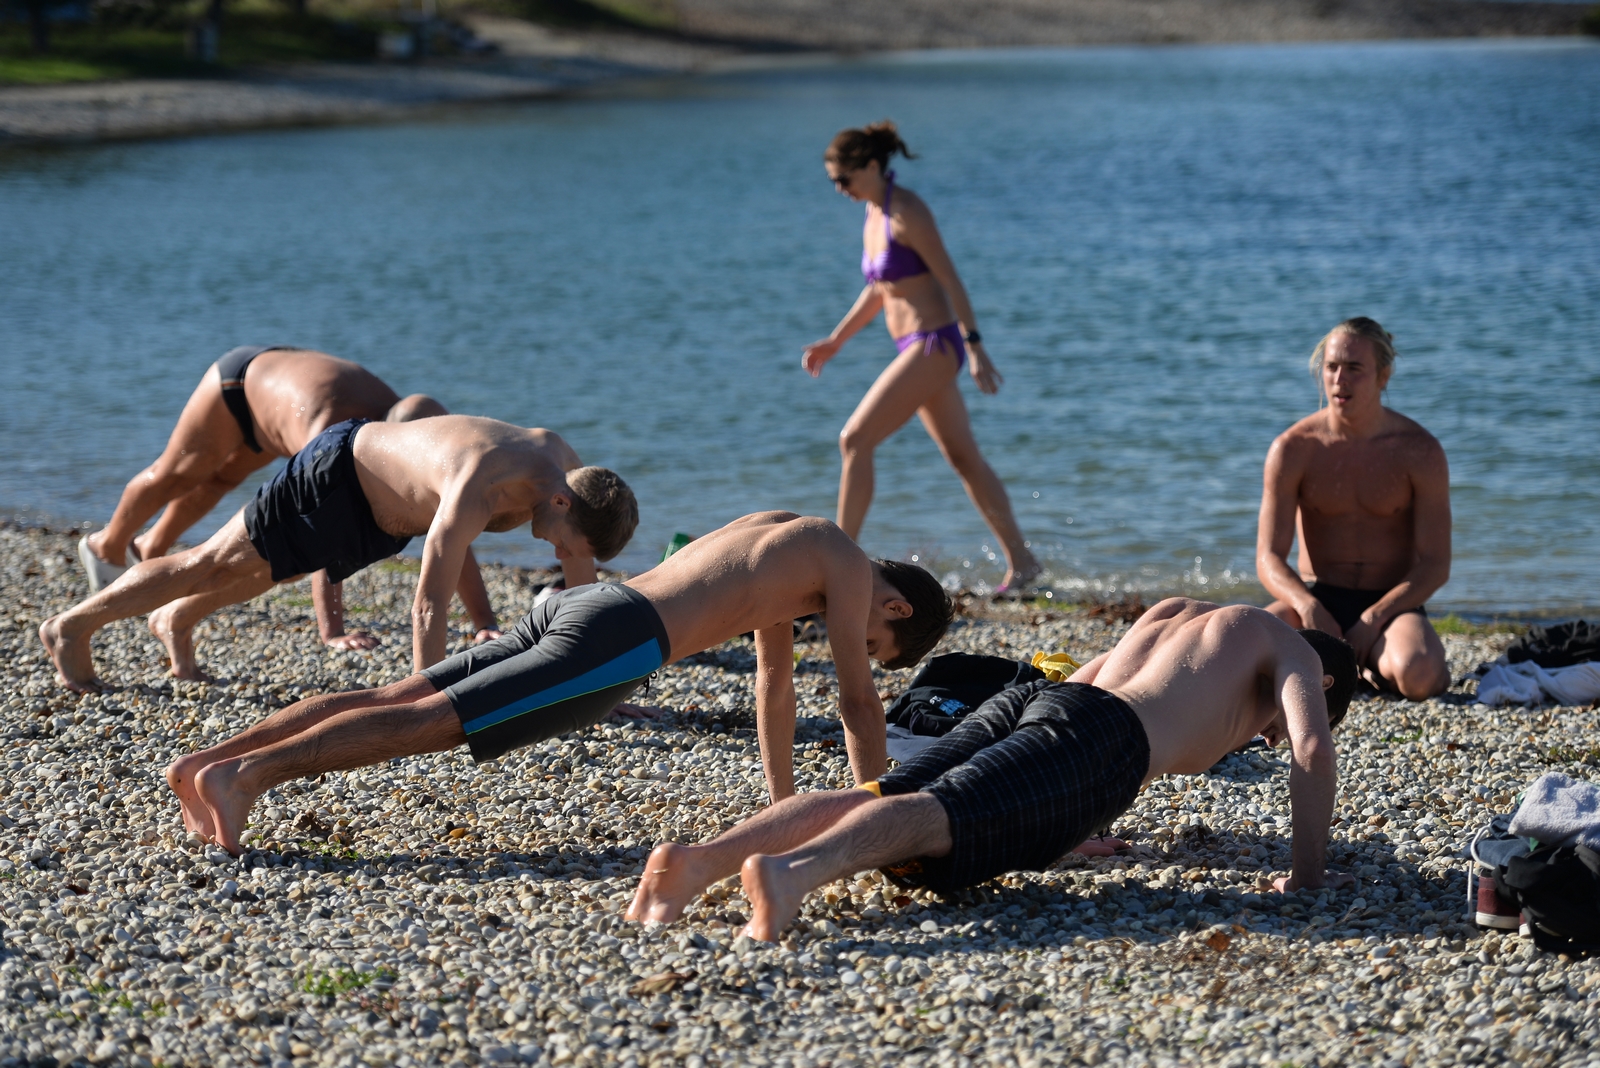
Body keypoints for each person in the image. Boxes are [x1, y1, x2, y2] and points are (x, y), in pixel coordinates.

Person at [163, 512, 952, 855]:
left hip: (589, 602)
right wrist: (872, 810)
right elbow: (856, 701)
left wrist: (784, 805)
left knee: (396, 696)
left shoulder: (793, 539)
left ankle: (208, 766)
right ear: (894, 604)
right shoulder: (847, 567)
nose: (857, 640)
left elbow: (774, 685)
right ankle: (249, 778)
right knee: (433, 722)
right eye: (879, 639)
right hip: (619, 643)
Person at [628, 598, 1359, 941]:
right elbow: (1312, 751)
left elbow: (1080, 692)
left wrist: (1070, 827)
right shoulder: (1287, 649)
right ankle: (790, 876)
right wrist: (1307, 877)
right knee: (949, 815)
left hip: (1046, 699)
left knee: (883, 790)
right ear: (1322, 683)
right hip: (1101, 738)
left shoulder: (1183, 612)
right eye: (1264, 731)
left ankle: (695, 865)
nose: (1260, 737)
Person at [40, 415, 635, 691]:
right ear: (559, 501)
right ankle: (72, 625)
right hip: (338, 477)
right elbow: (428, 605)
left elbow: (579, 583)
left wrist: (599, 688)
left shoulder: (569, 472)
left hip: (383, 516)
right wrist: (421, 705)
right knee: (213, 562)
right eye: (562, 539)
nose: (558, 551)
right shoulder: (479, 483)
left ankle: (175, 620)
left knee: (272, 571)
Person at [74, 346, 532, 649]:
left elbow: (449, 526)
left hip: (276, 410)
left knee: (216, 488)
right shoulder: (339, 436)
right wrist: (331, 630)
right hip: (237, 384)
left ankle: (152, 556)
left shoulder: (407, 435)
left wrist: (482, 621)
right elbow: (316, 523)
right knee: (171, 474)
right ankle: (108, 545)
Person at [802, 121, 1039, 594]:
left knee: (854, 440)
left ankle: (839, 568)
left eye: (843, 179)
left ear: (872, 166)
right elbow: (880, 288)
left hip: (935, 344)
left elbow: (951, 280)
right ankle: (1025, 564)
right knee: (964, 458)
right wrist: (836, 340)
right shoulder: (873, 213)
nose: (838, 189)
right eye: (832, 180)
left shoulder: (908, 210)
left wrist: (975, 347)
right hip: (914, 346)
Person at [1256, 318, 1451, 699]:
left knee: (1419, 675)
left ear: (1383, 376)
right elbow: (1269, 557)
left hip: (1392, 604)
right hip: (1317, 596)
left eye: (1354, 368)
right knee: (1250, 656)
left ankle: (1373, 666)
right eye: (1331, 367)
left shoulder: (1419, 450)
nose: (1339, 379)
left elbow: (1435, 564)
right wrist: (1308, 605)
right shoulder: (1293, 448)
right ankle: (1350, 670)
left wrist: (1374, 618)